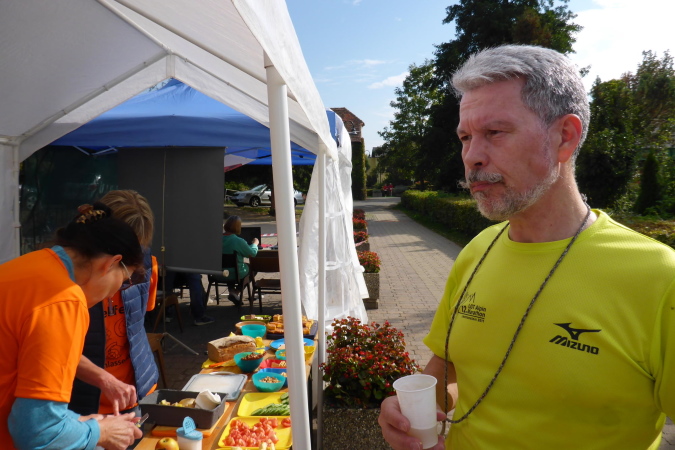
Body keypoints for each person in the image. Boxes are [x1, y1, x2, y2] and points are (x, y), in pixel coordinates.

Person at [379, 44, 675, 450]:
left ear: (564, 137)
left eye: (494, 133)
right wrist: (409, 411)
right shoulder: (476, 252)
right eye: (465, 137)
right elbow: (450, 373)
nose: (472, 156)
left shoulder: (659, 278)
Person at [0, 202, 144, 449]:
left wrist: (77, 423)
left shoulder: (27, 265)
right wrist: (101, 432)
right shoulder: (65, 299)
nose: (113, 294)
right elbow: (37, 433)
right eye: (124, 281)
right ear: (112, 263)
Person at [69, 190, 160, 418]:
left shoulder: (147, 265)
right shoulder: (70, 277)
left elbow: (141, 320)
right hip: (83, 401)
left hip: (135, 391)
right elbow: (57, 347)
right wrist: (103, 379)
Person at [221, 215, 259, 304]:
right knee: (253, 268)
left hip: (217, 273)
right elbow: (252, 254)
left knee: (228, 266)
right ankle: (236, 291)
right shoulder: (238, 241)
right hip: (234, 274)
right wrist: (255, 244)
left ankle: (231, 290)